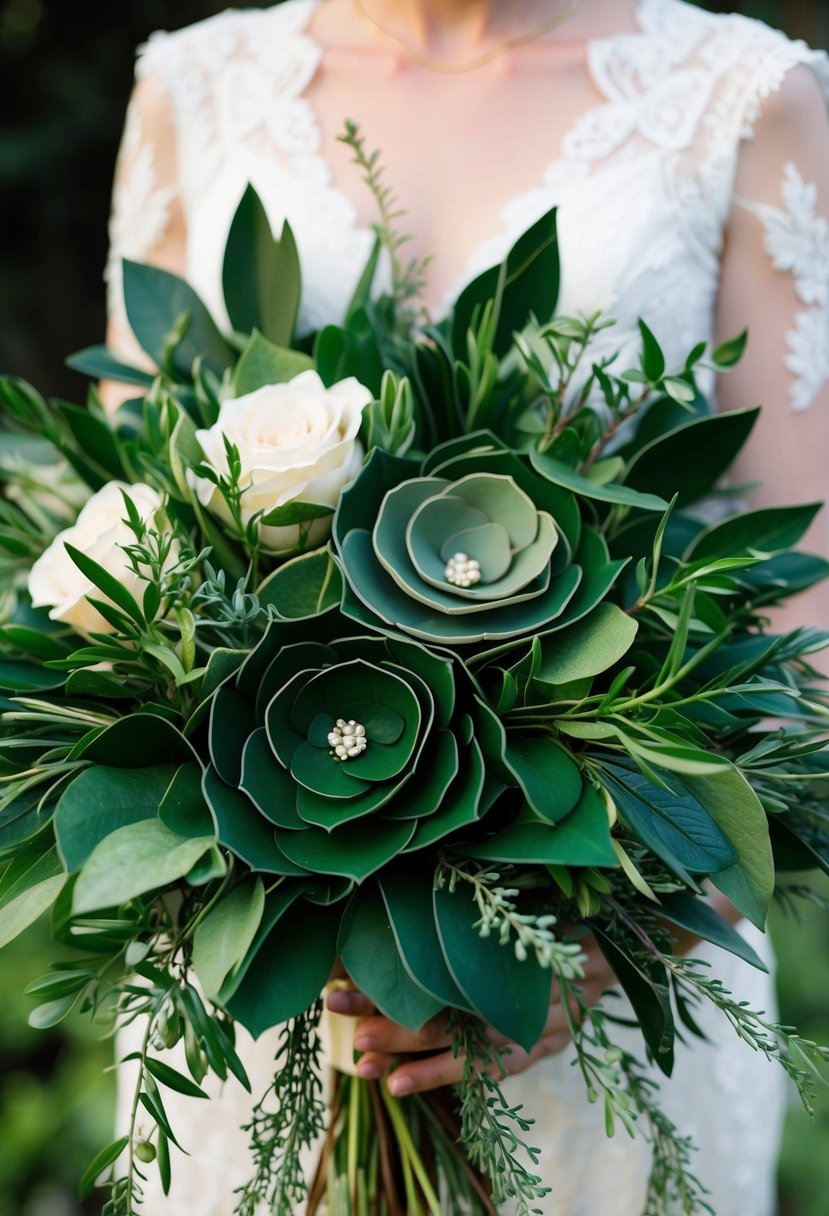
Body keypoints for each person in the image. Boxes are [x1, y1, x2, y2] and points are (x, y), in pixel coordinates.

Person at [107, 1, 829, 1212]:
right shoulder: (196, 86)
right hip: (273, 998)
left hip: (605, 977)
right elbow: (140, 543)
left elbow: (799, 619)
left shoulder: (744, 99)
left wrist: (613, 948)